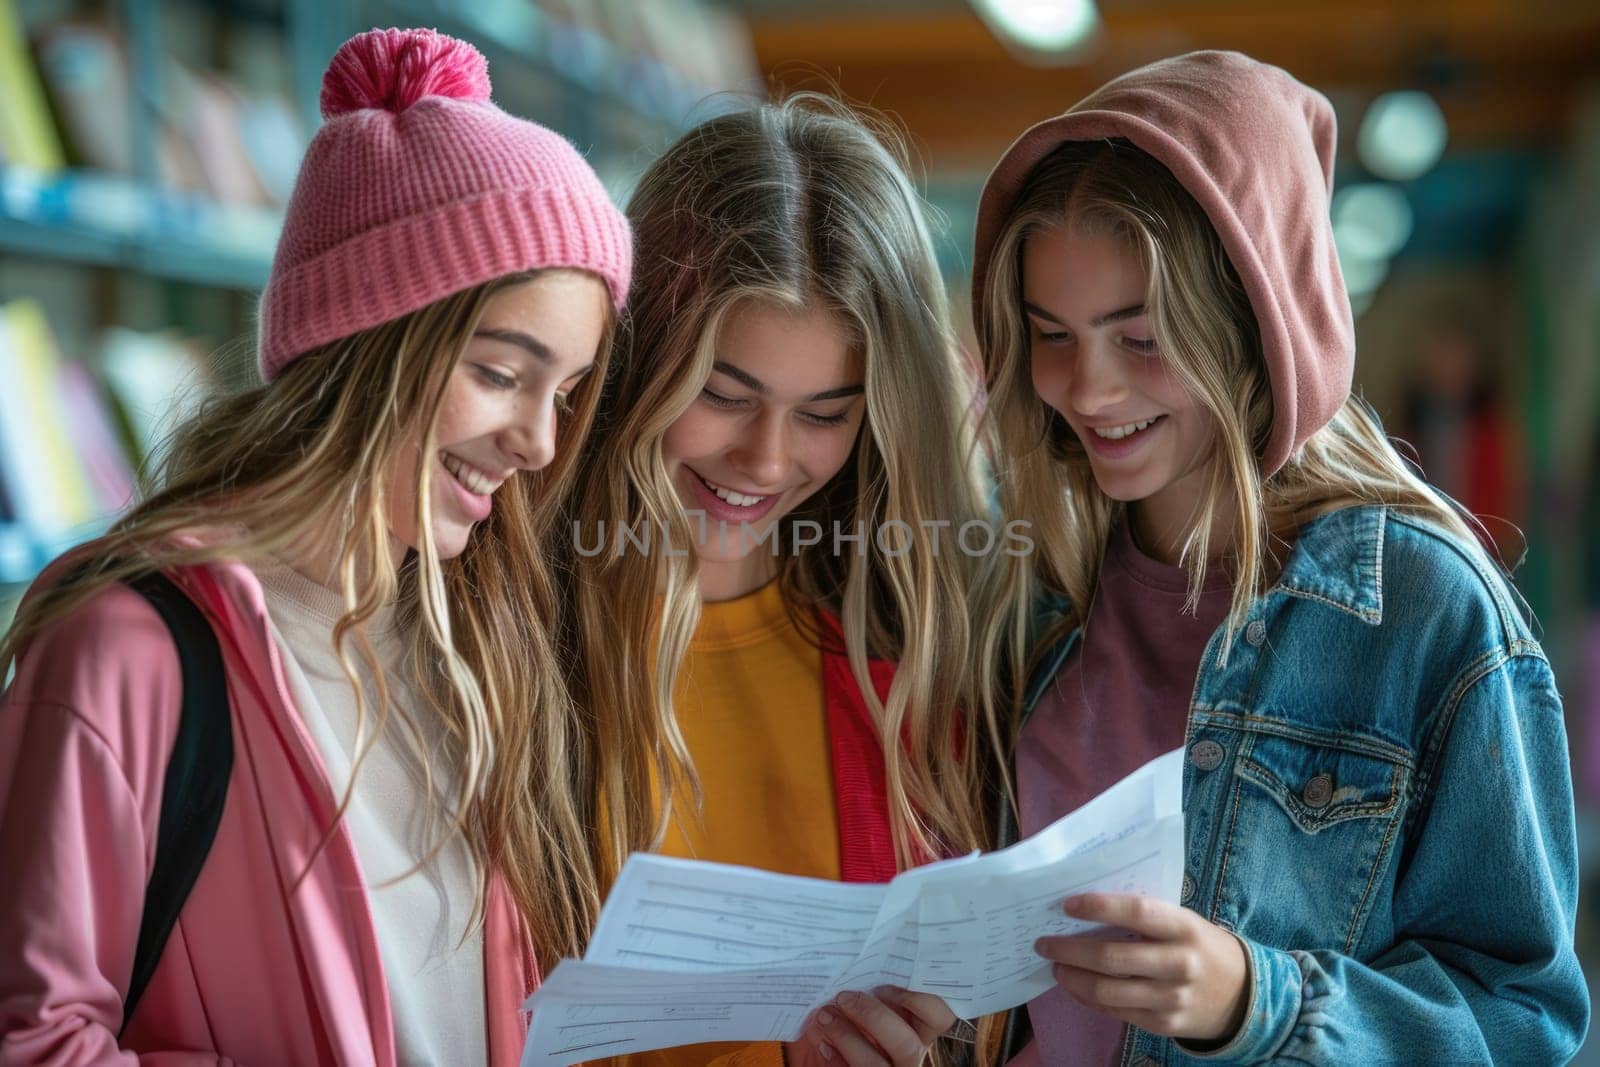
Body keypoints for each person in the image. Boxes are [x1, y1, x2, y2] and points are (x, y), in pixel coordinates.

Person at [0, 28, 631, 1065]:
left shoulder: (475, 646)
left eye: (566, 393)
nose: (539, 442)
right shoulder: (126, 650)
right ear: (370, 345)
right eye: (502, 372)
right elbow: (34, 1036)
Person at [971, 50, 1588, 1064]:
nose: (1086, 389)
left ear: (1258, 328)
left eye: (1140, 336)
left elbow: (1526, 1020)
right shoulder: (1031, 591)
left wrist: (1256, 1001)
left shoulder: (1425, 610)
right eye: (1051, 333)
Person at [558, 95, 1015, 1067]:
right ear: (635, 360)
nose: (764, 460)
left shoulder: (915, 656)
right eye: (723, 394)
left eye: (825, 413)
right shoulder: (518, 629)